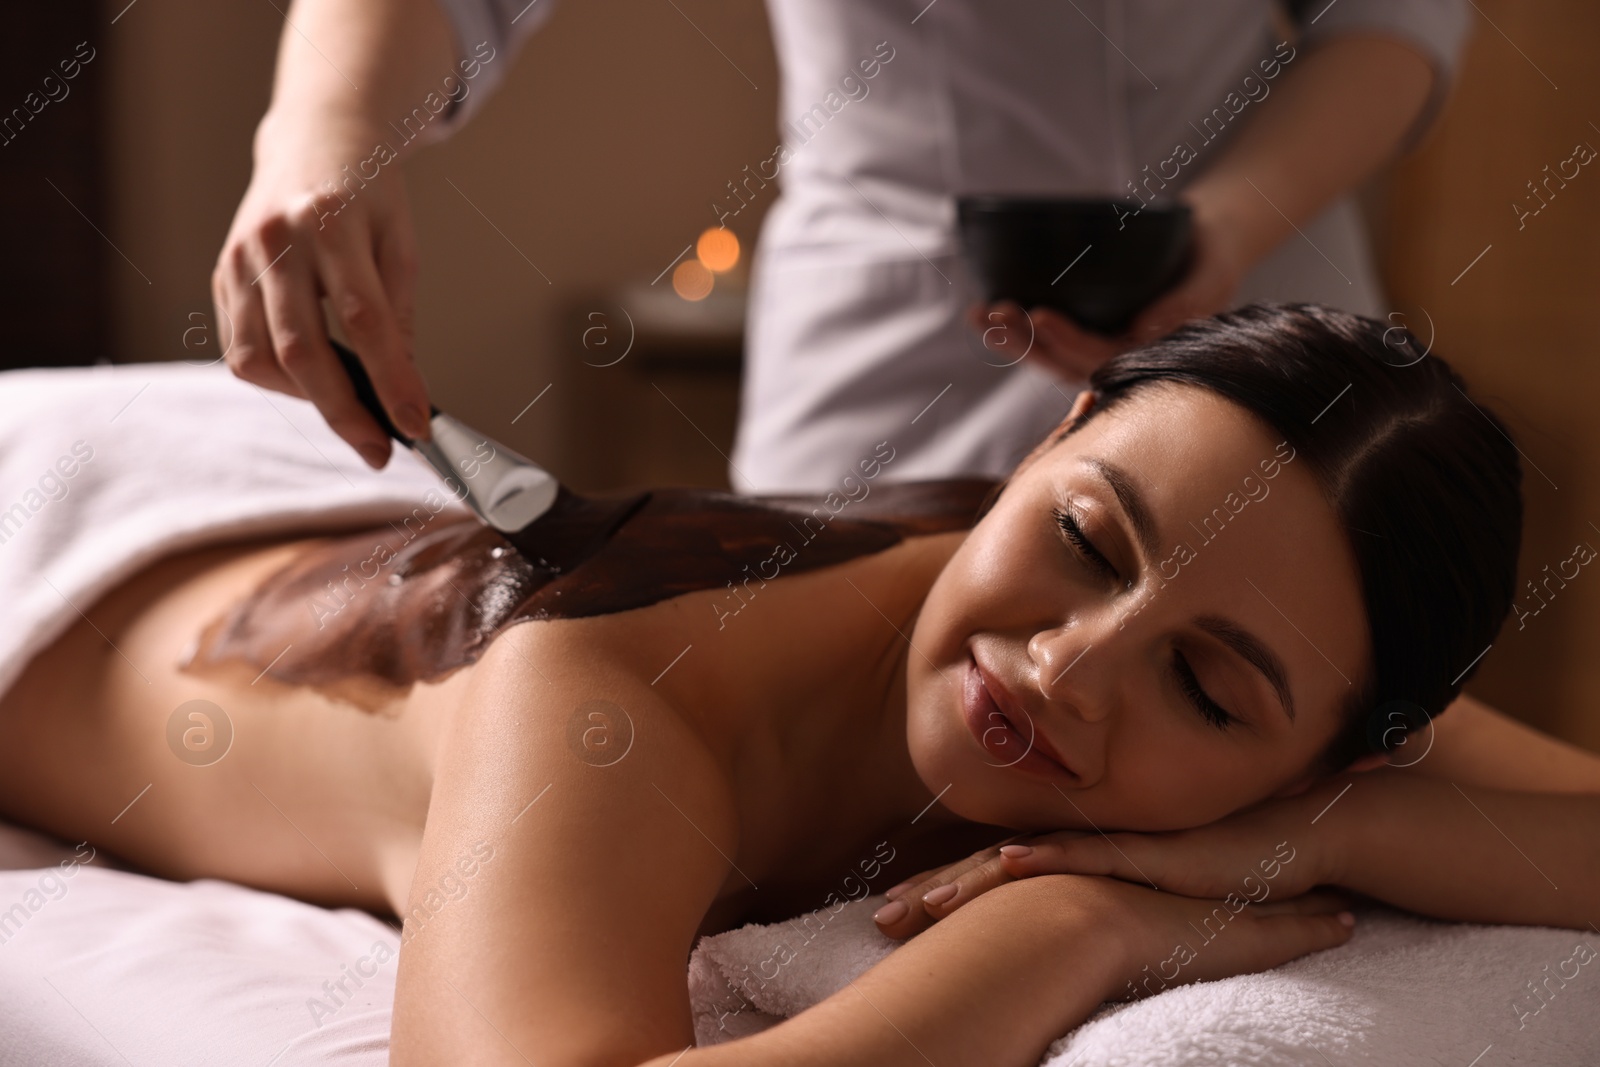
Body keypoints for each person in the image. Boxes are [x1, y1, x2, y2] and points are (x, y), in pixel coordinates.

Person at [2, 304, 1596, 1066]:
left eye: (1207, 685)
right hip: (66, 540)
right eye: (1085, 537)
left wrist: (1328, 839)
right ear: (1042, 446)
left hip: (362, 518)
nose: (1064, 662)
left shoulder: (1301, 647)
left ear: (1349, 748)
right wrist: (1073, 924)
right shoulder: (617, 689)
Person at [212, 0, 1471, 490]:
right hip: (890, 360)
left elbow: (1396, 16)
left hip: (1264, 301)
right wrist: (321, 133)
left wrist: (1226, 228)